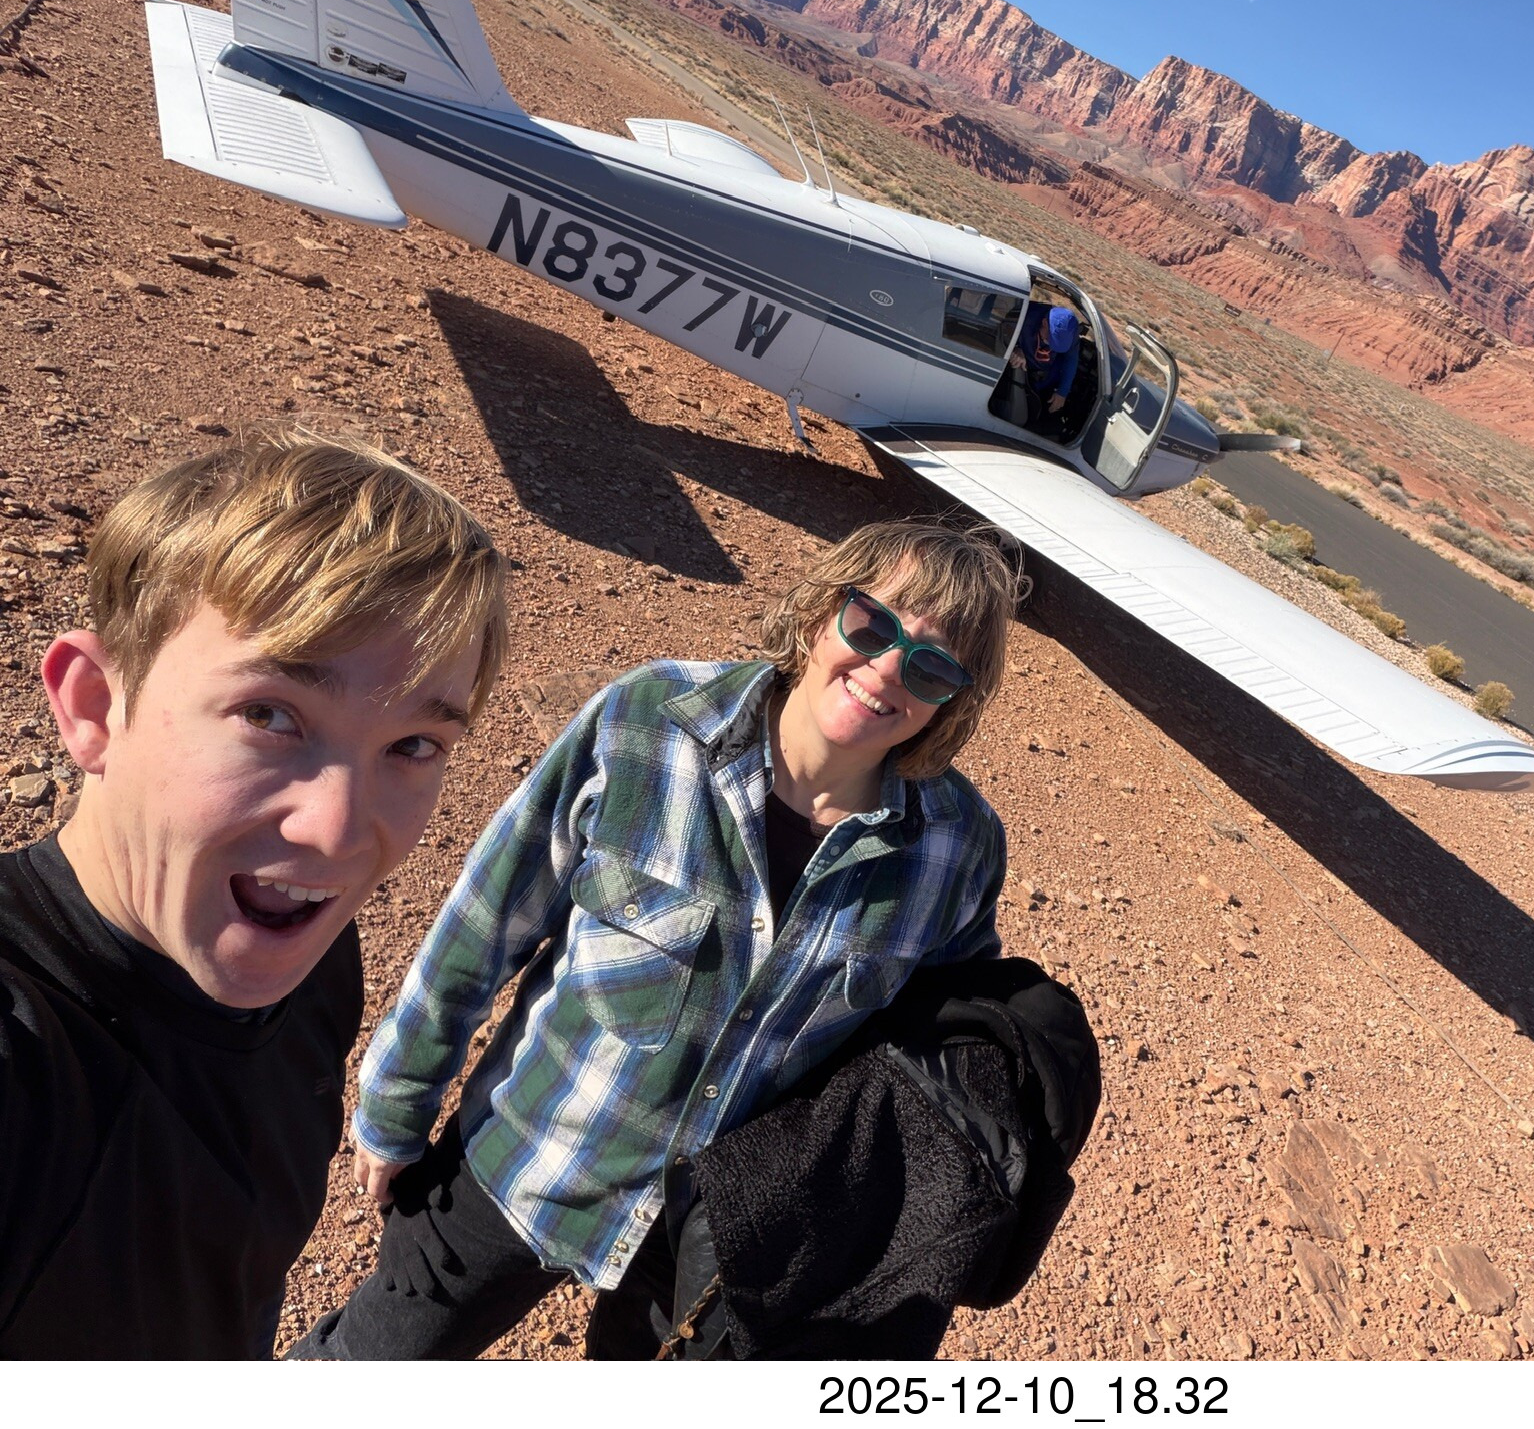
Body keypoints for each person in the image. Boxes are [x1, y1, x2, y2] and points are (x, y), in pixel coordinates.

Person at [290, 519, 1029, 1360]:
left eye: (932, 668)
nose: (889, 669)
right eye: (873, 626)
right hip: (530, 1160)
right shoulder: (649, 722)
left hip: (715, 1243)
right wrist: (396, 1104)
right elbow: (489, 917)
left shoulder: (955, 846)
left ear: (952, 700)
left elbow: (934, 1048)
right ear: (822, 612)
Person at [0, 426, 507, 1358]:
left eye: (413, 745)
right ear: (94, 706)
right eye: (270, 715)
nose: (338, 832)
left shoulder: (307, 953)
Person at [1008, 304, 1081, 417]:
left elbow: (1071, 360)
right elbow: (1001, 331)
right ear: (1044, 323)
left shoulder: (1071, 331)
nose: (1049, 345)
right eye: (1049, 339)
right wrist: (1016, 347)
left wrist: (1062, 392)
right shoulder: (1025, 316)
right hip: (1019, 370)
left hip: (1046, 376)